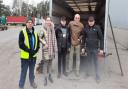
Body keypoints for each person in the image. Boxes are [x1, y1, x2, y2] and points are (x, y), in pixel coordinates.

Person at [18, 18, 40, 89]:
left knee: (31, 71)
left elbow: (38, 43)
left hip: (33, 56)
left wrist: (36, 50)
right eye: (28, 22)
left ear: (33, 24)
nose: (30, 23)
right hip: (25, 57)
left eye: (31, 22)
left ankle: (32, 82)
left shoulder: (35, 33)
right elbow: (21, 44)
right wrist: (29, 50)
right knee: (24, 72)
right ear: (26, 23)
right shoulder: (22, 32)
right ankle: (21, 85)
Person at [83, 15, 104, 83]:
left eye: (92, 21)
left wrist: (101, 48)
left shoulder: (97, 28)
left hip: (95, 49)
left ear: (94, 21)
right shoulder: (86, 28)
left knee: (96, 62)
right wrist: (83, 47)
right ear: (88, 22)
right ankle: (88, 73)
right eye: (89, 21)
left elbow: (101, 38)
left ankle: (97, 76)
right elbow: (83, 38)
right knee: (88, 62)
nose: (91, 22)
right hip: (88, 48)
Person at [39, 17, 57, 86]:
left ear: (51, 21)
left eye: (49, 20)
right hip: (46, 50)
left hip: (51, 49)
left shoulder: (53, 29)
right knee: (45, 64)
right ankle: (45, 78)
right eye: (47, 20)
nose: (48, 21)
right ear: (45, 21)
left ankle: (50, 76)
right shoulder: (43, 29)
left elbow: (54, 39)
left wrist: (55, 49)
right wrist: (44, 43)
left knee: (50, 63)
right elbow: (39, 38)